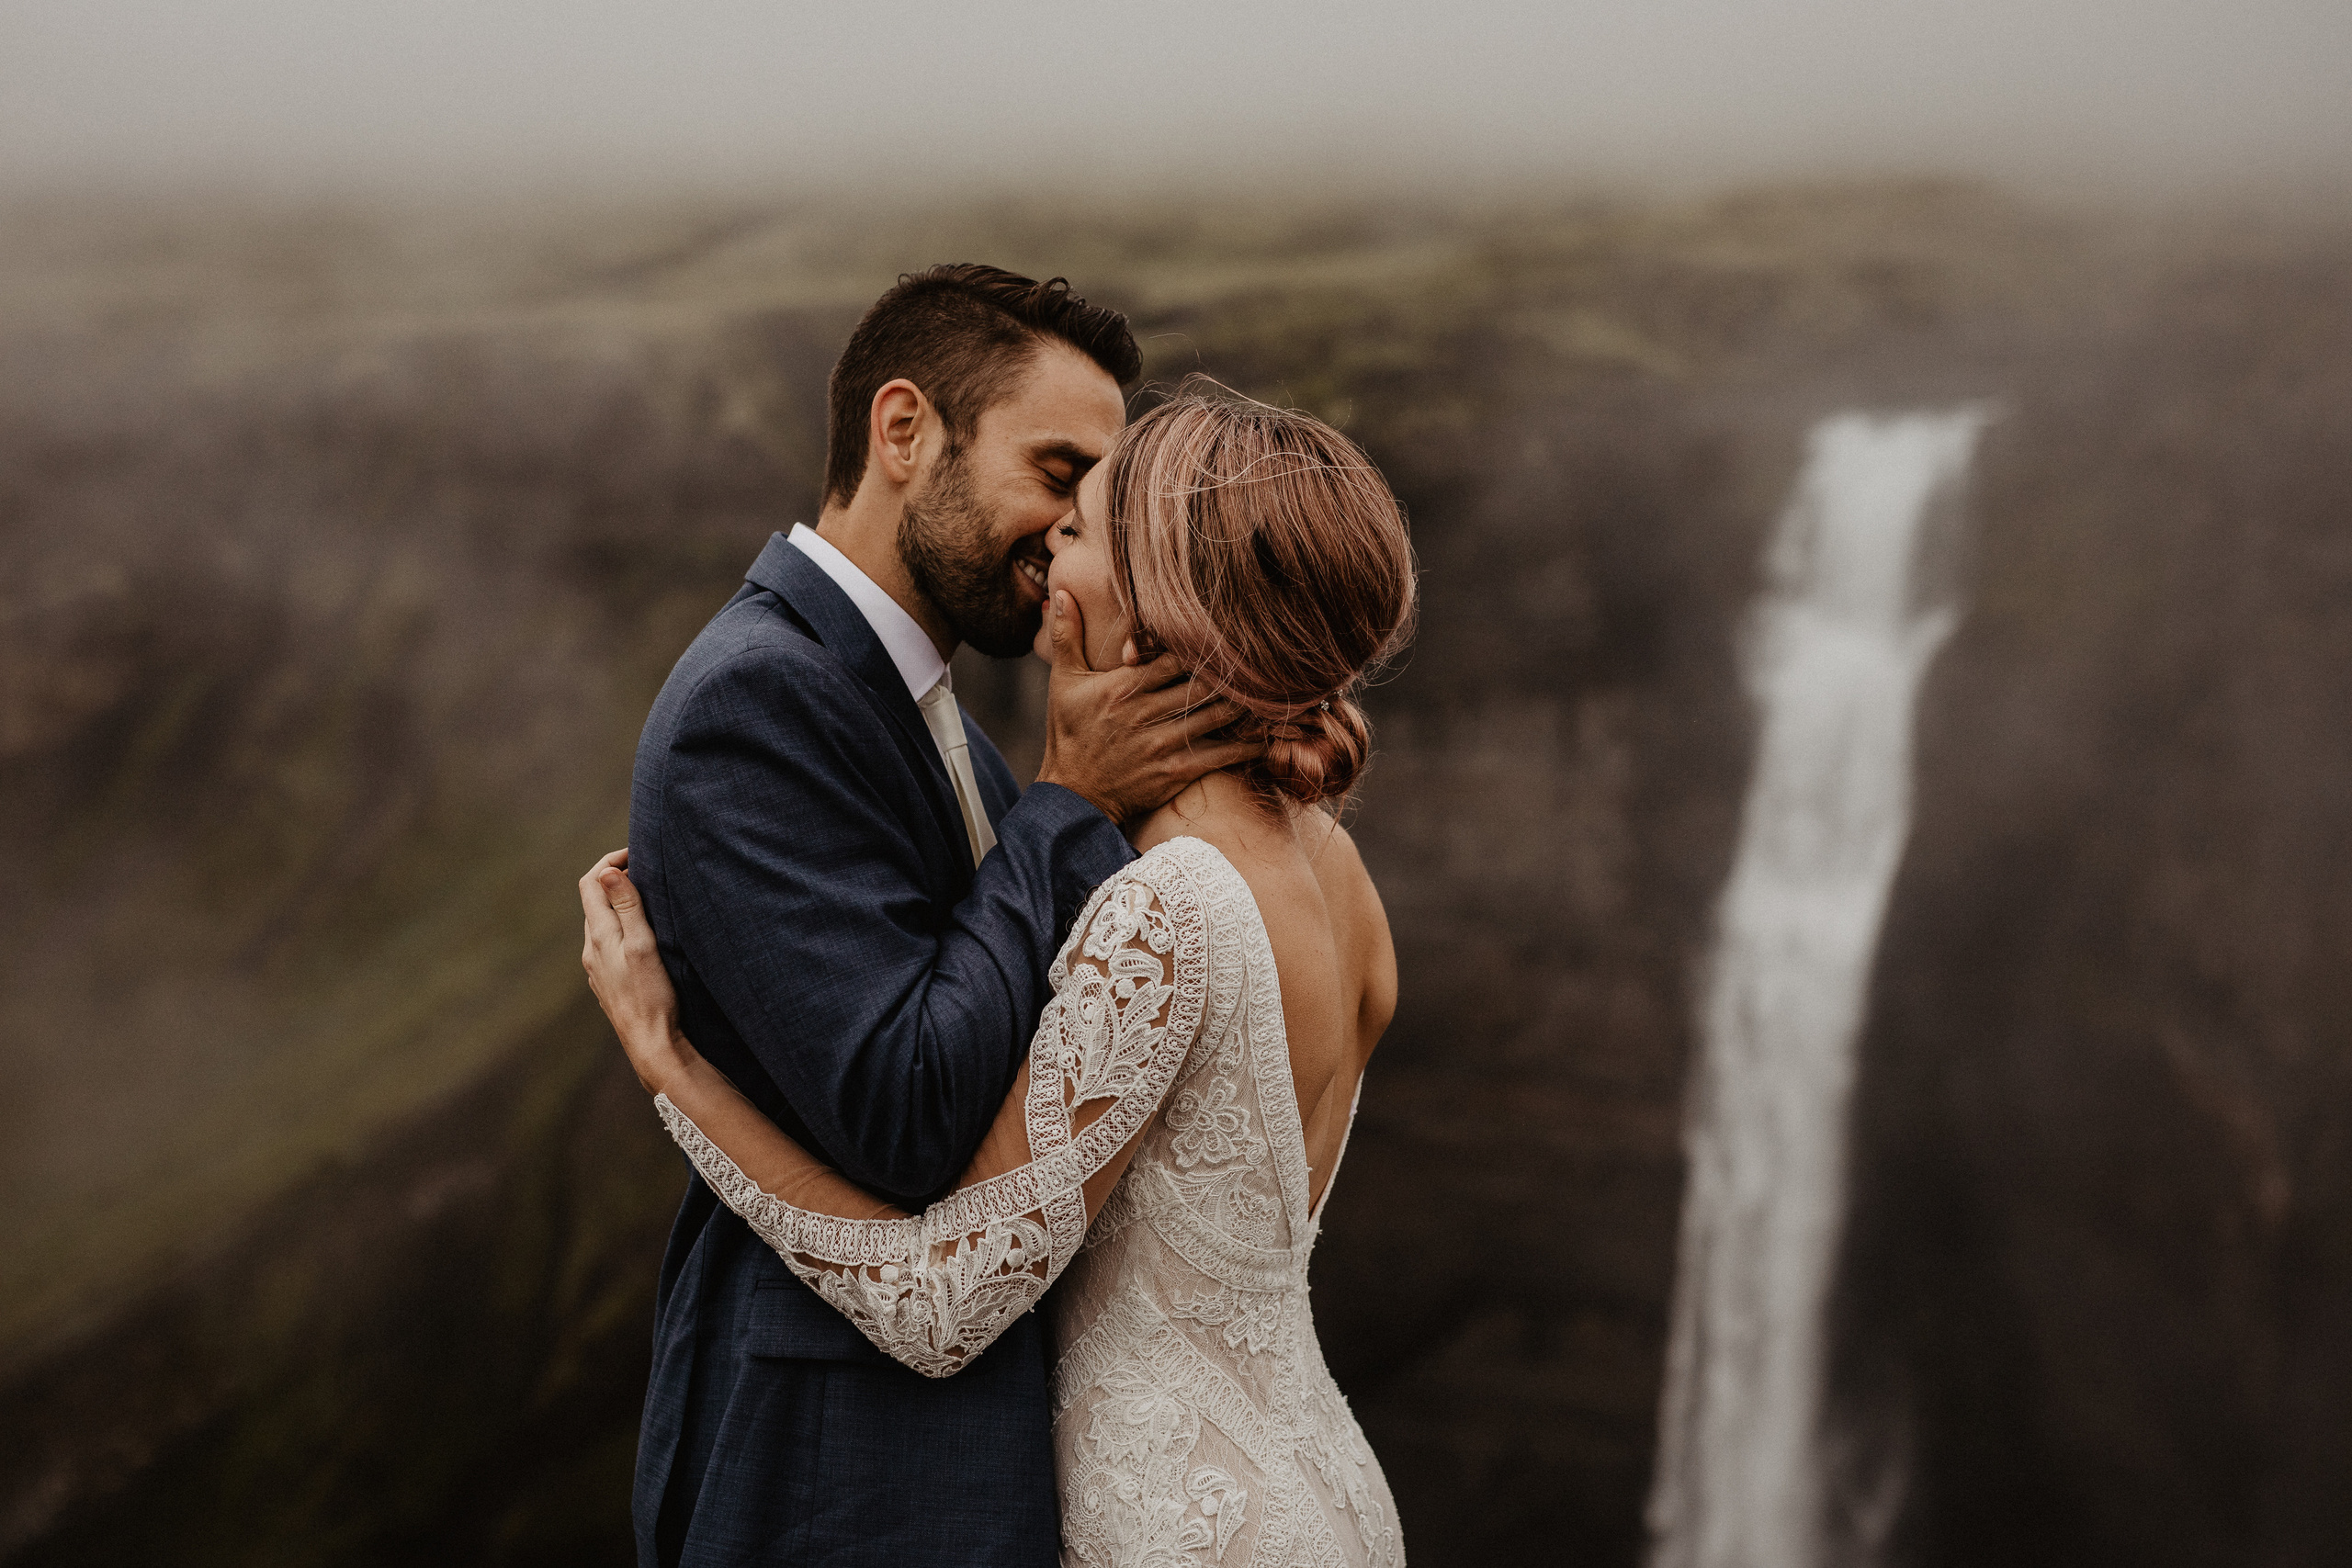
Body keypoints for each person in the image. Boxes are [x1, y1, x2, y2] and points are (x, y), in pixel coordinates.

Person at [583, 389, 1418, 1566]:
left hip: (1180, 1525)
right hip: (1316, 1492)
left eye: (1078, 531)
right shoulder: (1340, 878)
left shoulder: (1168, 902)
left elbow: (944, 1305)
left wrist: (674, 1068)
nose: (1046, 552)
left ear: (1154, 597)